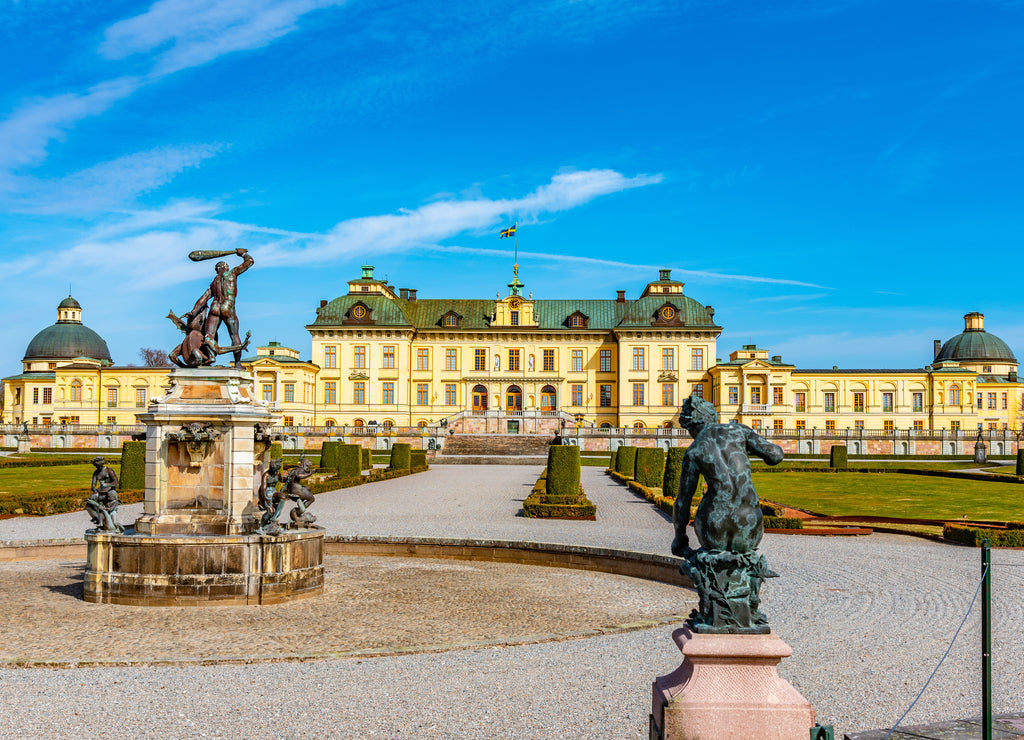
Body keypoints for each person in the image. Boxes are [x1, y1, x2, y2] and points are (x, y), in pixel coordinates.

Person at [671, 394, 783, 633]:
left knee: (710, 553)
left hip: (714, 524)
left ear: (694, 425)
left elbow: (682, 502)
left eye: (688, 428)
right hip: (750, 522)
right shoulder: (739, 431)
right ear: (713, 417)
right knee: (745, 557)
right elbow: (776, 455)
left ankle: (715, 613)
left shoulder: (694, 451)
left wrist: (679, 537)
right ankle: (746, 611)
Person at [189, 248, 254, 368]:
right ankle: (238, 363)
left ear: (217, 270)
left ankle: (211, 356)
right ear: (226, 267)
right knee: (234, 335)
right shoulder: (232, 274)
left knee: (209, 335)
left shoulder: (214, 283)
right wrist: (243, 254)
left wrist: (193, 312)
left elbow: (204, 298)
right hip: (227, 307)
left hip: (215, 306)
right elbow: (250, 261)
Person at [86, 456, 124, 533]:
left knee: (110, 510)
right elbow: (93, 485)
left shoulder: (109, 470)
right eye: (96, 466)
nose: (97, 467)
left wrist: (107, 484)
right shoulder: (96, 472)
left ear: (101, 464)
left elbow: (116, 482)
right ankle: (96, 519)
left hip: (110, 492)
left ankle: (111, 524)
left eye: (98, 466)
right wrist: (95, 490)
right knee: (89, 505)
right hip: (100, 493)